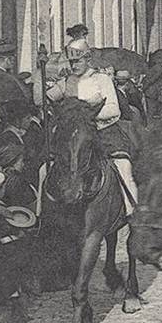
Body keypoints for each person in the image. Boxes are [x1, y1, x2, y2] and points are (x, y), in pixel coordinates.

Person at [61, 38, 138, 214]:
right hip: (75, 135)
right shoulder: (69, 81)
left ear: (88, 60)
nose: (74, 65)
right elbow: (52, 99)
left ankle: (131, 208)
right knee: (47, 167)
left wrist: (87, 112)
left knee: (123, 165)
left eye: (78, 61)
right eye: (72, 61)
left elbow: (113, 109)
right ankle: (44, 213)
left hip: (104, 132)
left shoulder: (102, 79)